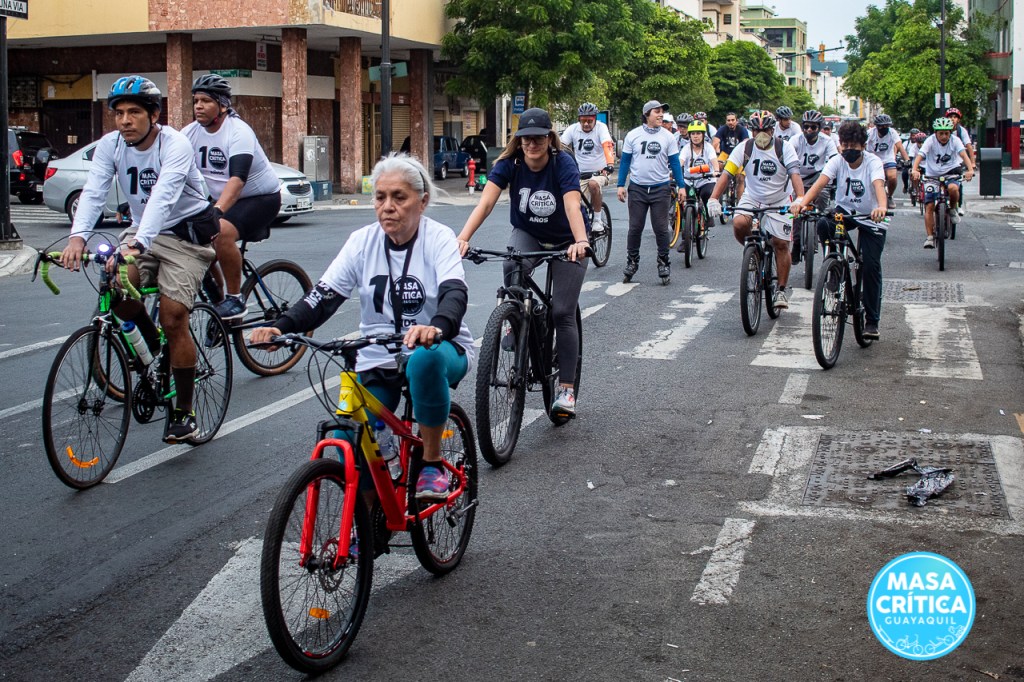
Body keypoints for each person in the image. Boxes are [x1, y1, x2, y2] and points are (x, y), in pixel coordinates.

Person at [251, 154, 475, 500]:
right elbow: (322, 297)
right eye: (380, 197)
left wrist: (436, 327)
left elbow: (454, 293)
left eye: (399, 197)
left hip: (440, 348)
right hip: (378, 356)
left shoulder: (438, 238)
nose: (388, 207)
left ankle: (431, 464)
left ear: (422, 202)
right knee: (348, 436)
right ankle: (369, 521)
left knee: (424, 360)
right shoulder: (362, 242)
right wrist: (281, 327)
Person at [60, 75, 219, 442]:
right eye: (118, 113)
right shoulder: (111, 145)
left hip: (185, 234)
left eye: (134, 112)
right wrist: (78, 237)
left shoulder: (174, 144)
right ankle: (153, 343)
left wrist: (138, 243)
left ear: (154, 115)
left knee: (173, 316)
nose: (125, 121)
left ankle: (184, 411)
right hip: (141, 232)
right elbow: (94, 192)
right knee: (117, 287)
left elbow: (163, 196)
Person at [457, 107, 589, 417]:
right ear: (518, 140)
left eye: (538, 138)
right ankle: (516, 320)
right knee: (511, 265)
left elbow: (572, 206)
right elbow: (486, 203)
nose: (532, 143)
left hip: (568, 238)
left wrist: (581, 241)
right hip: (529, 233)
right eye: (526, 138)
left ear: (549, 138)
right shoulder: (510, 163)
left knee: (562, 312)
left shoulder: (562, 162)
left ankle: (566, 390)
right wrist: (462, 239)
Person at [182, 74, 282, 320]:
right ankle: (218, 306)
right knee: (188, 242)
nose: (198, 106)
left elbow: (237, 180)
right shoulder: (190, 133)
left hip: (260, 198)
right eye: (196, 101)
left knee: (221, 232)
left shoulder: (238, 132)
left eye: (206, 101)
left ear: (223, 105)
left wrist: (216, 212)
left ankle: (235, 299)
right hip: (222, 199)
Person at [790, 121, 889, 340]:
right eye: (845, 145)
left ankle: (872, 321)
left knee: (870, 266)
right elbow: (819, 184)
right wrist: (802, 203)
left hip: (872, 217)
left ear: (863, 146)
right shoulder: (837, 161)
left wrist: (881, 207)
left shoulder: (873, 162)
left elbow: (879, 186)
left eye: (853, 145)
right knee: (824, 222)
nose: (848, 149)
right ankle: (835, 266)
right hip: (844, 212)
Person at [707, 110, 804, 309]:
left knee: (781, 244)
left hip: (780, 199)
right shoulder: (744, 147)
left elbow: (795, 174)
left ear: (772, 130)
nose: (761, 134)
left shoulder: (784, 147)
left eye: (765, 130)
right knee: (739, 223)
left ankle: (781, 290)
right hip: (752, 197)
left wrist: (800, 198)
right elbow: (727, 174)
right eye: (756, 131)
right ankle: (754, 251)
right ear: (751, 131)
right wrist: (713, 198)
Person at [616, 100, 687, 283]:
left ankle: (663, 263)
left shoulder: (668, 137)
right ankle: (632, 262)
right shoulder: (633, 135)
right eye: (657, 111)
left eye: (662, 111)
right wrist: (620, 185)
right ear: (647, 114)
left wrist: (681, 186)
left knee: (661, 229)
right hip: (638, 188)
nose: (661, 115)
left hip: (660, 188)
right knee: (635, 228)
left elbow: (674, 163)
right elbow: (625, 161)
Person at [911, 117, 975, 249]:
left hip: (951, 172)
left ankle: (952, 209)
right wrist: (914, 170)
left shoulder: (955, 140)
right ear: (935, 133)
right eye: (941, 133)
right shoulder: (930, 141)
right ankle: (930, 237)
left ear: (950, 133)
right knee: (929, 205)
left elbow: (964, 155)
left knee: (953, 189)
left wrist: (970, 170)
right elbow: (920, 156)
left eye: (947, 133)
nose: (944, 136)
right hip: (932, 175)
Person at [789, 110, 839, 263]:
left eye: (813, 127)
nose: (809, 130)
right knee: (796, 209)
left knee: (823, 200)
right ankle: (796, 242)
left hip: (818, 178)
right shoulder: (795, 140)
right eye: (806, 127)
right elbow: (787, 160)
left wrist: (835, 181)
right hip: (799, 178)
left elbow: (834, 160)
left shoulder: (827, 141)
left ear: (819, 128)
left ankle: (818, 231)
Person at [561, 102, 615, 234]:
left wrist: (610, 164)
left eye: (589, 121)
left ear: (595, 119)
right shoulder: (573, 129)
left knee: (593, 184)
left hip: (601, 171)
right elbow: (561, 146)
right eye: (583, 121)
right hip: (580, 173)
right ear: (579, 119)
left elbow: (607, 146)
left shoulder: (601, 128)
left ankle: (597, 220)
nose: (586, 124)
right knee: (577, 204)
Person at [865, 114, 910, 209]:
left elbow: (900, 146)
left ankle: (890, 195)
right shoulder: (870, 133)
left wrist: (907, 160)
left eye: (886, 126)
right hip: (872, 158)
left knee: (892, 177)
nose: (884, 128)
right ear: (877, 126)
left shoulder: (892, 132)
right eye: (881, 126)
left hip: (887, 158)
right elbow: (862, 145)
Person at [713, 111, 750, 197]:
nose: (731, 122)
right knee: (718, 168)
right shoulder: (722, 129)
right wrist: (713, 154)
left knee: (740, 178)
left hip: (739, 155)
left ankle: (740, 202)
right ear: (726, 121)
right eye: (728, 120)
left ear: (736, 121)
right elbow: (715, 142)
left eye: (733, 120)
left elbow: (746, 143)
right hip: (725, 154)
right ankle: (718, 196)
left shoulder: (742, 130)